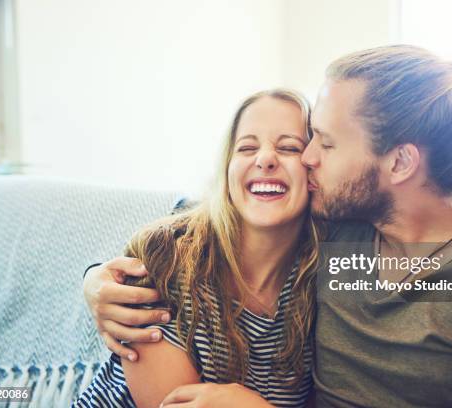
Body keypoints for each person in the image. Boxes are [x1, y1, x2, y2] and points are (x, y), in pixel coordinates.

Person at [84, 45, 452, 407]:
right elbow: (215, 216)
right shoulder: (342, 231)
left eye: (325, 143)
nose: (307, 158)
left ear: (399, 163)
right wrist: (96, 280)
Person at [74, 89, 320, 408]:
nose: (265, 159)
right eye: (246, 147)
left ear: (314, 169)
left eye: (289, 147)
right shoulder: (165, 259)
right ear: (227, 170)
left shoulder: (323, 274)